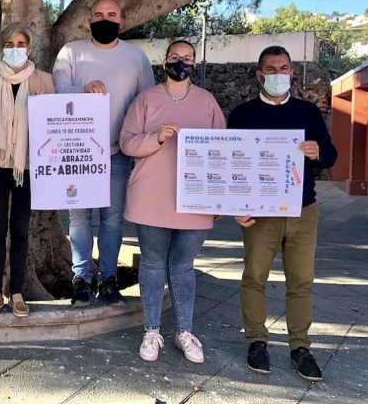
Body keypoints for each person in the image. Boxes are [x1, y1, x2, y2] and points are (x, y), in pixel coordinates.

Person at [228, 46, 337, 382]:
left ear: (292, 73)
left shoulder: (308, 113)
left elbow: (330, 155)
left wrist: (318, 152)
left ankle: (300, 347)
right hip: (260, 214)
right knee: (254, 277)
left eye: (284, 67)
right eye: (271, 68)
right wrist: (235, 206)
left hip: (303, 211)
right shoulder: (243, 115)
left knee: (301, 281)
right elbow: (232, 164)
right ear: (260, 75)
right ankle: (257, 342)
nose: (278, 73)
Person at [120, 40, 225, 363]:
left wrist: (219, 198)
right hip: (151, 196)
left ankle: (184, 332)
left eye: (188, 58)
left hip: (195, 200)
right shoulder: (146, 100)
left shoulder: (207, 102)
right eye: (176, 57)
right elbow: (126, 143)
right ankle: (152, 331)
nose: (182, 62)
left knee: (182, 267)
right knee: (152, 264)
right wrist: (156, 138)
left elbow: (222, 150)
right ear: (165, 61)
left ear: (195, 62)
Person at [52, 0, 155, 308]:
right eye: (99, 14)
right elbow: (57, 89)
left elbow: (147, 102)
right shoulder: (71, 52)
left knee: (112, 220)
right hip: (79, 153)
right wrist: (82, 91)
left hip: (119, 153)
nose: (105, 18)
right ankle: (81, 278)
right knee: (79, 219)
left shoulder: (136, 58)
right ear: (89, 20)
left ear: (121, 21)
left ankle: (108, 278)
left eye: (112, 14)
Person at [0, 22, 55, 318]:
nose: (15, 49)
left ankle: (17, 291)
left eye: (21, 44)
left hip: (28, 166)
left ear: (30, 48)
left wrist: (45, 110)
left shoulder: (44, 80)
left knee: (21, 230)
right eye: (9, 44)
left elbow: (52, 130)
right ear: (0, 47)